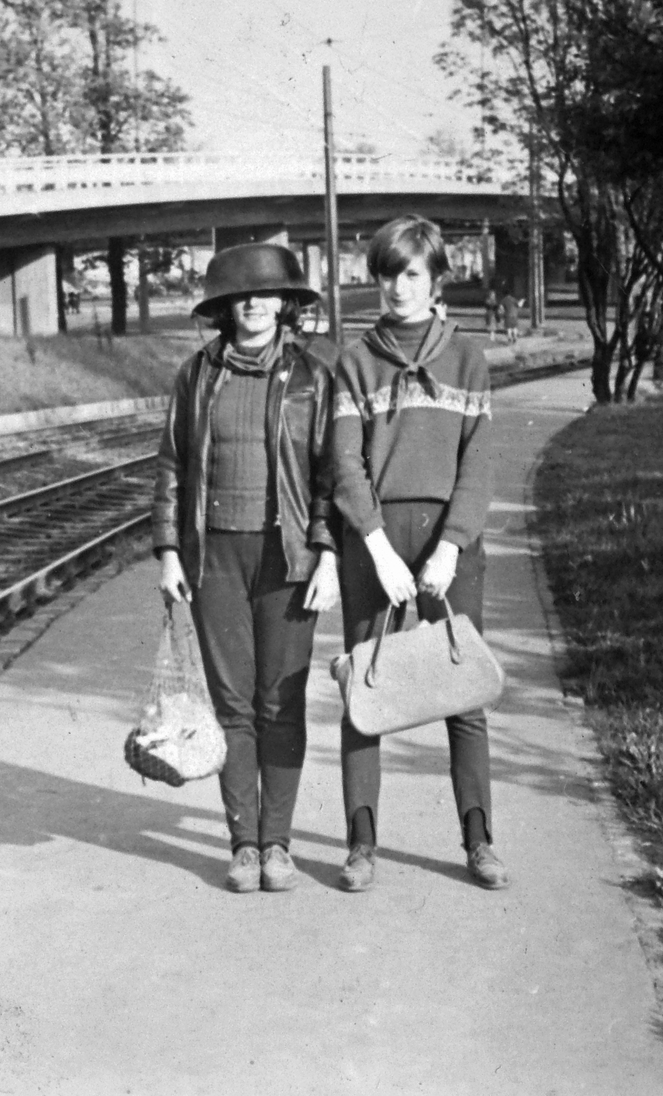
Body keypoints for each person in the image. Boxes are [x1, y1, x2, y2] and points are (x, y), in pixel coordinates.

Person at [152, 243, 341, 895]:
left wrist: (328, 552)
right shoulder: (197, 375)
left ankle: (279, 846)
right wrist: (170, 550)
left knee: (281, 702)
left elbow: (328, 476)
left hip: (287, 559)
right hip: (216, 560)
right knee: (232, 703)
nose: (255, 303)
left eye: (267, 293)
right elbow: (173, 466)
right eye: (241, 294)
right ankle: (243, 845)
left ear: (286, 303)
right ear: (225, 307)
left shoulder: (313, 378)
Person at [329, 214, 506, 893]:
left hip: (447, 546)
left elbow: (480, 463)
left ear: (434, 281)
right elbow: (345, 466)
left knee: (464, 694)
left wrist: (452, 548)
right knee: (364, 694)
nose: (397, 287)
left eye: (410, 274)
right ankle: (361, 847)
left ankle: (479, 841)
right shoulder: (354, 360)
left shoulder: (467, 358)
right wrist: (376, 548)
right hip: (375, 542)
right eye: (387, 274)